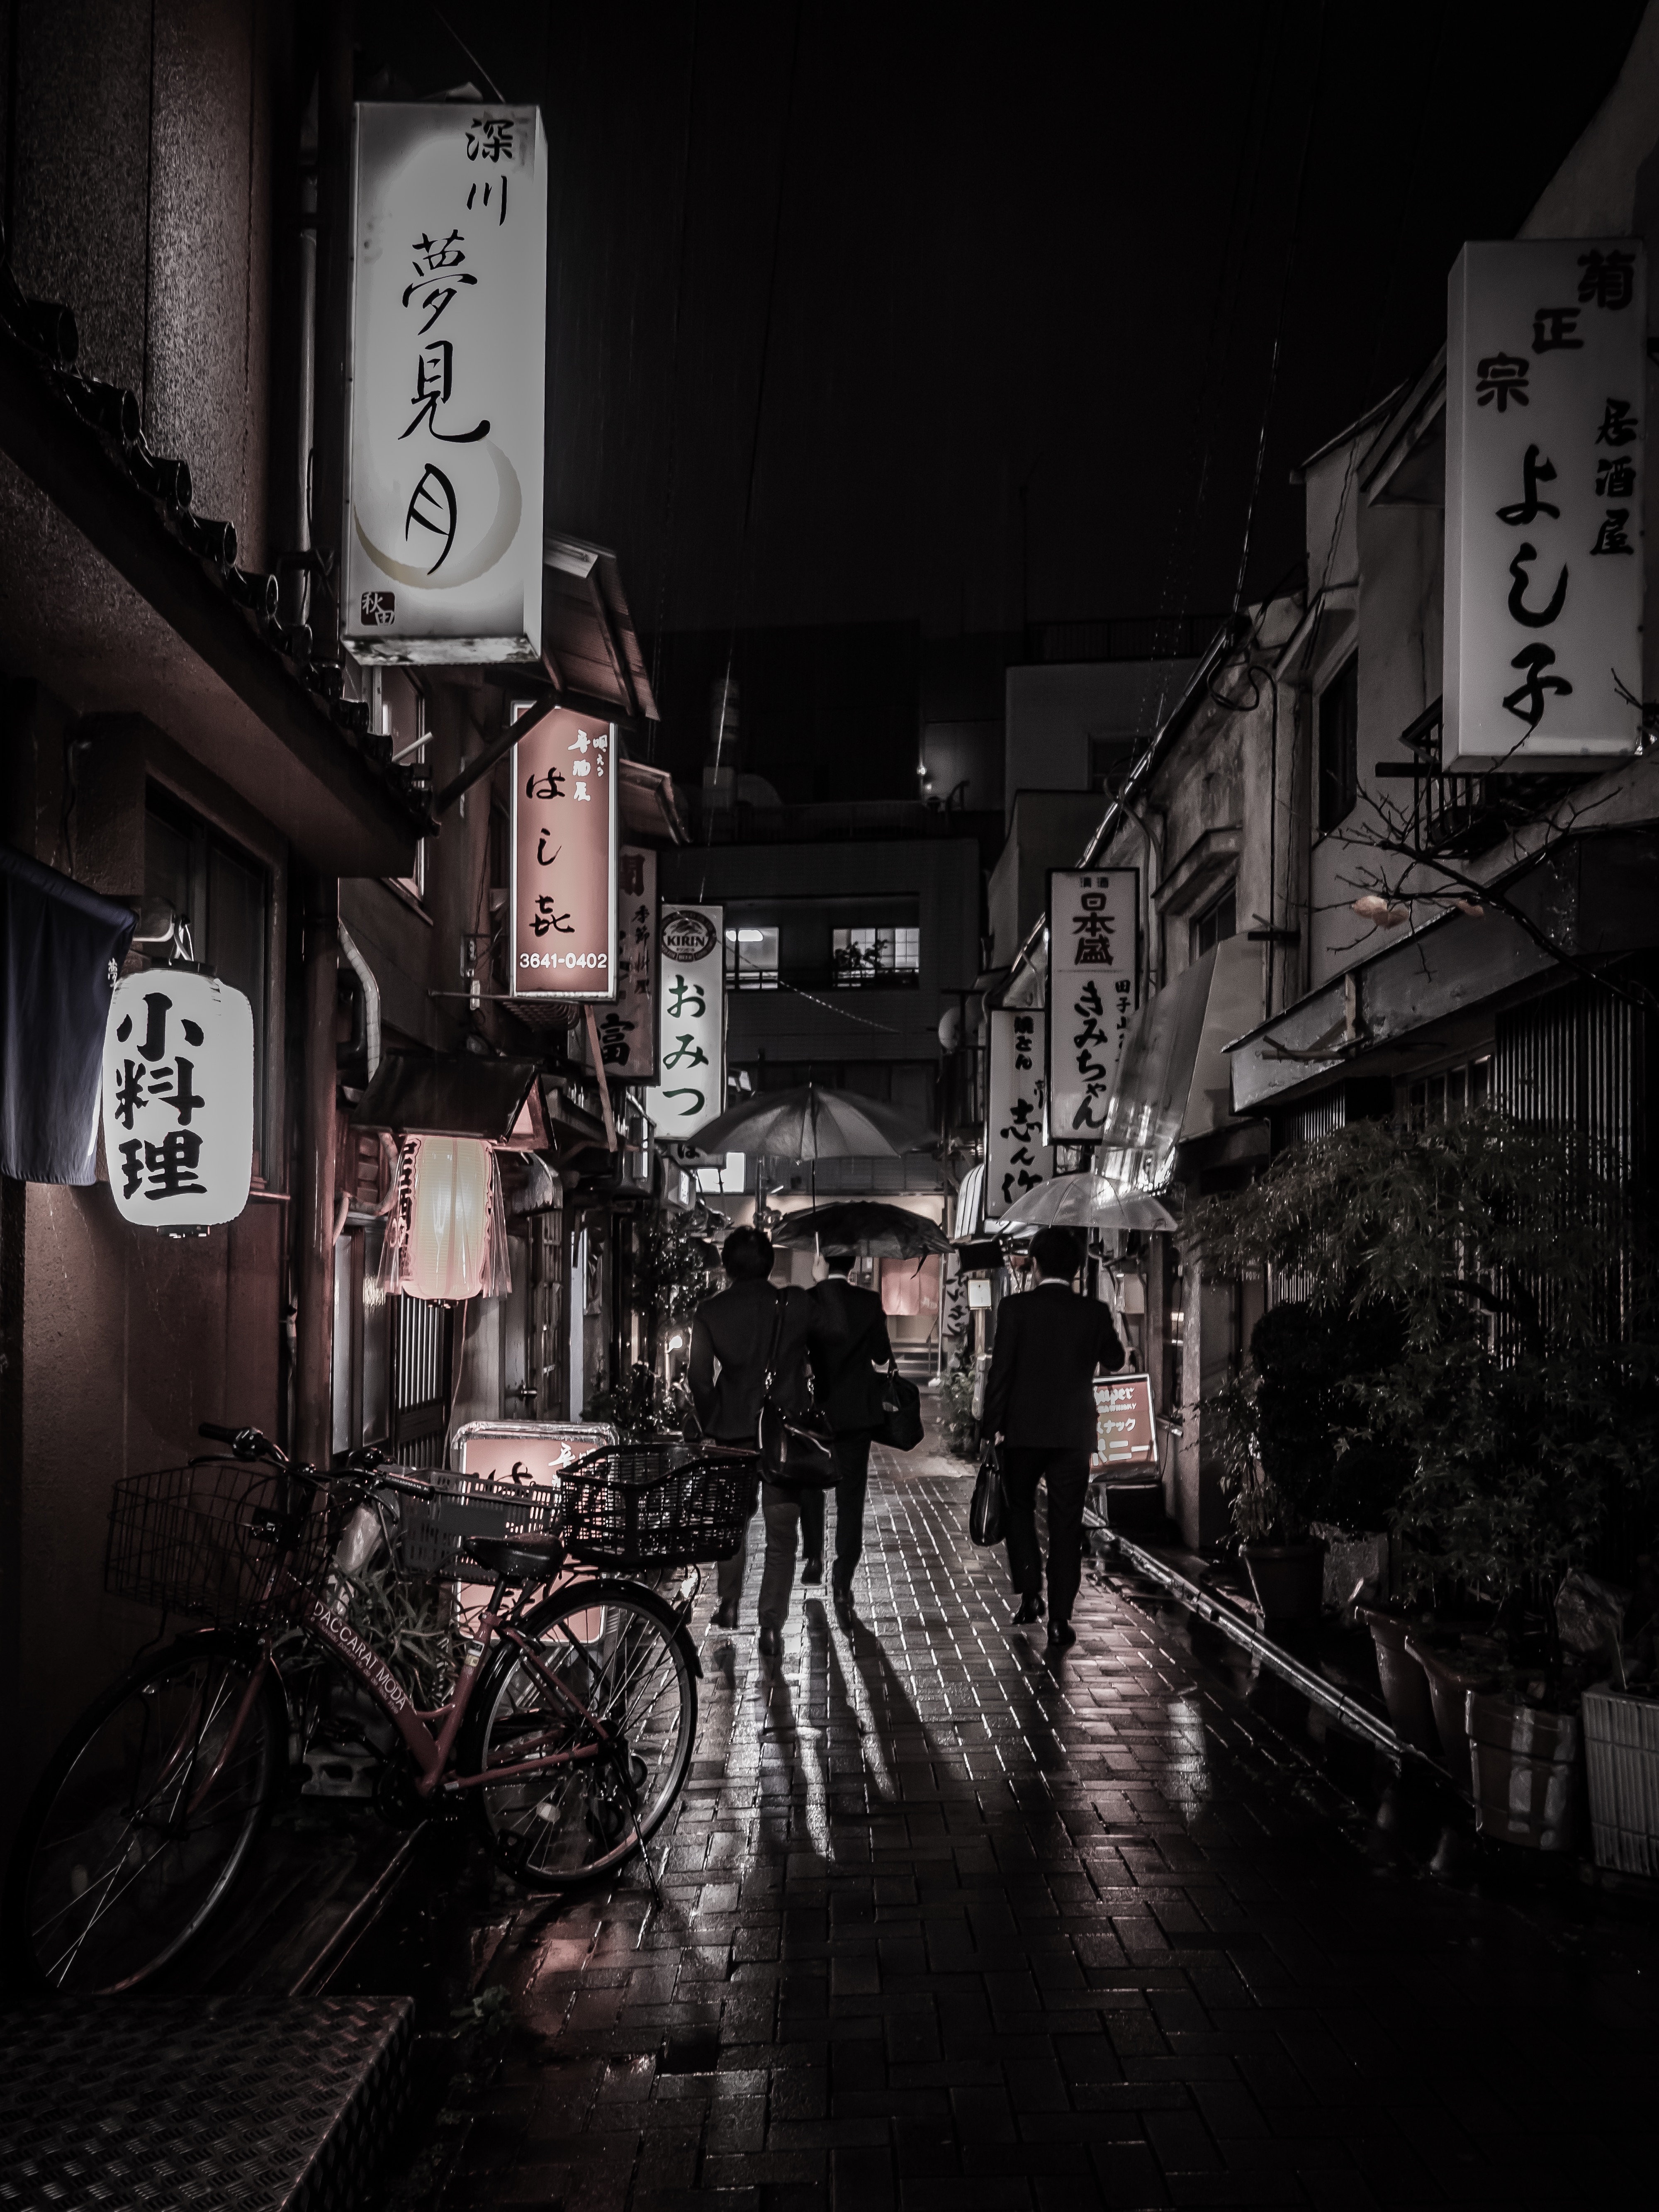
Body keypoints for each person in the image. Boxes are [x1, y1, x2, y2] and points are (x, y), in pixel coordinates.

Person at [981, 1224, 1123, 1652]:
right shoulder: (1093, 1312)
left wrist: (990, 1430)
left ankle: (1031, 1593)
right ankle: (1060, 1619)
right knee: (1065, 1523)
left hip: (1022, 1432)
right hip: (1073, 1434)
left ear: (1037, 1264)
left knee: (1019, 1507)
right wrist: (1105, 1325)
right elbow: (1115, 1360)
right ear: (1078, 1267)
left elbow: (1000, 1373)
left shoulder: (1015, 1307)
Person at [688, 1224, 817, 1656]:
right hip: (781, 1435)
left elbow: (699, 1380)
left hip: (732, 1433)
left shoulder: (710, 1311)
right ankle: (771, 1625)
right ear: (770, 1262)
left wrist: (713, 1421)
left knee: (732, 1523)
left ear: (726, 1266)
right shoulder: (796, 1302)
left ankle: (728, 1603)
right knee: (782, 1532)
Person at [801, 1248, 893, 1624]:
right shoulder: (869, 1302)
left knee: (811, 1483)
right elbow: (882, 1355)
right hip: (857, 1412)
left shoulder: (811, 1300)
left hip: (816, 1410)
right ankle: (843, 1575)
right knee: (850, 1497)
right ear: (853, 1263)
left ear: (822, 1260)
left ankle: (813, 1556)